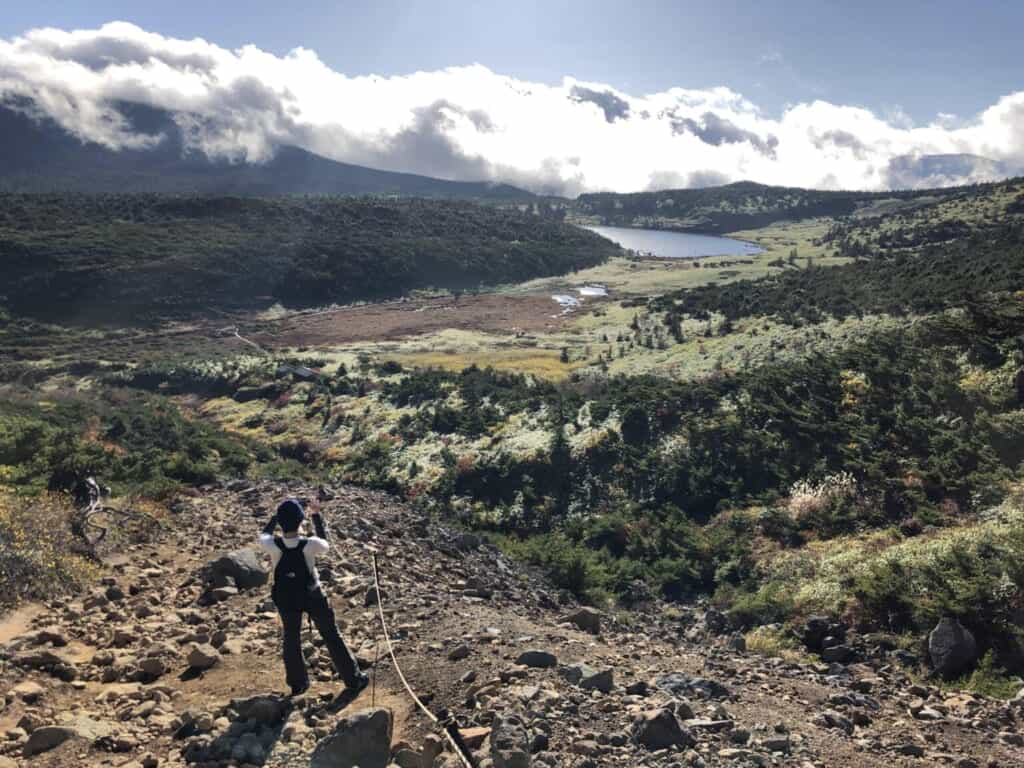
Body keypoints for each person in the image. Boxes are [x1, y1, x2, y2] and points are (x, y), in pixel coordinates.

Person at [259, 497, 368, 696]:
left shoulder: (272, 544)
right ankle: (353, 679)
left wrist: (275, 517)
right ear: (301, 520)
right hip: (313, 595)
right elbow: (325, 543)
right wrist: (316, 515)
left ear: (281, 522)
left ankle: (298, 684)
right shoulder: (311, 544)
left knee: (291, 637)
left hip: (286, 597)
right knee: (331, 634)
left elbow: (264, 534)